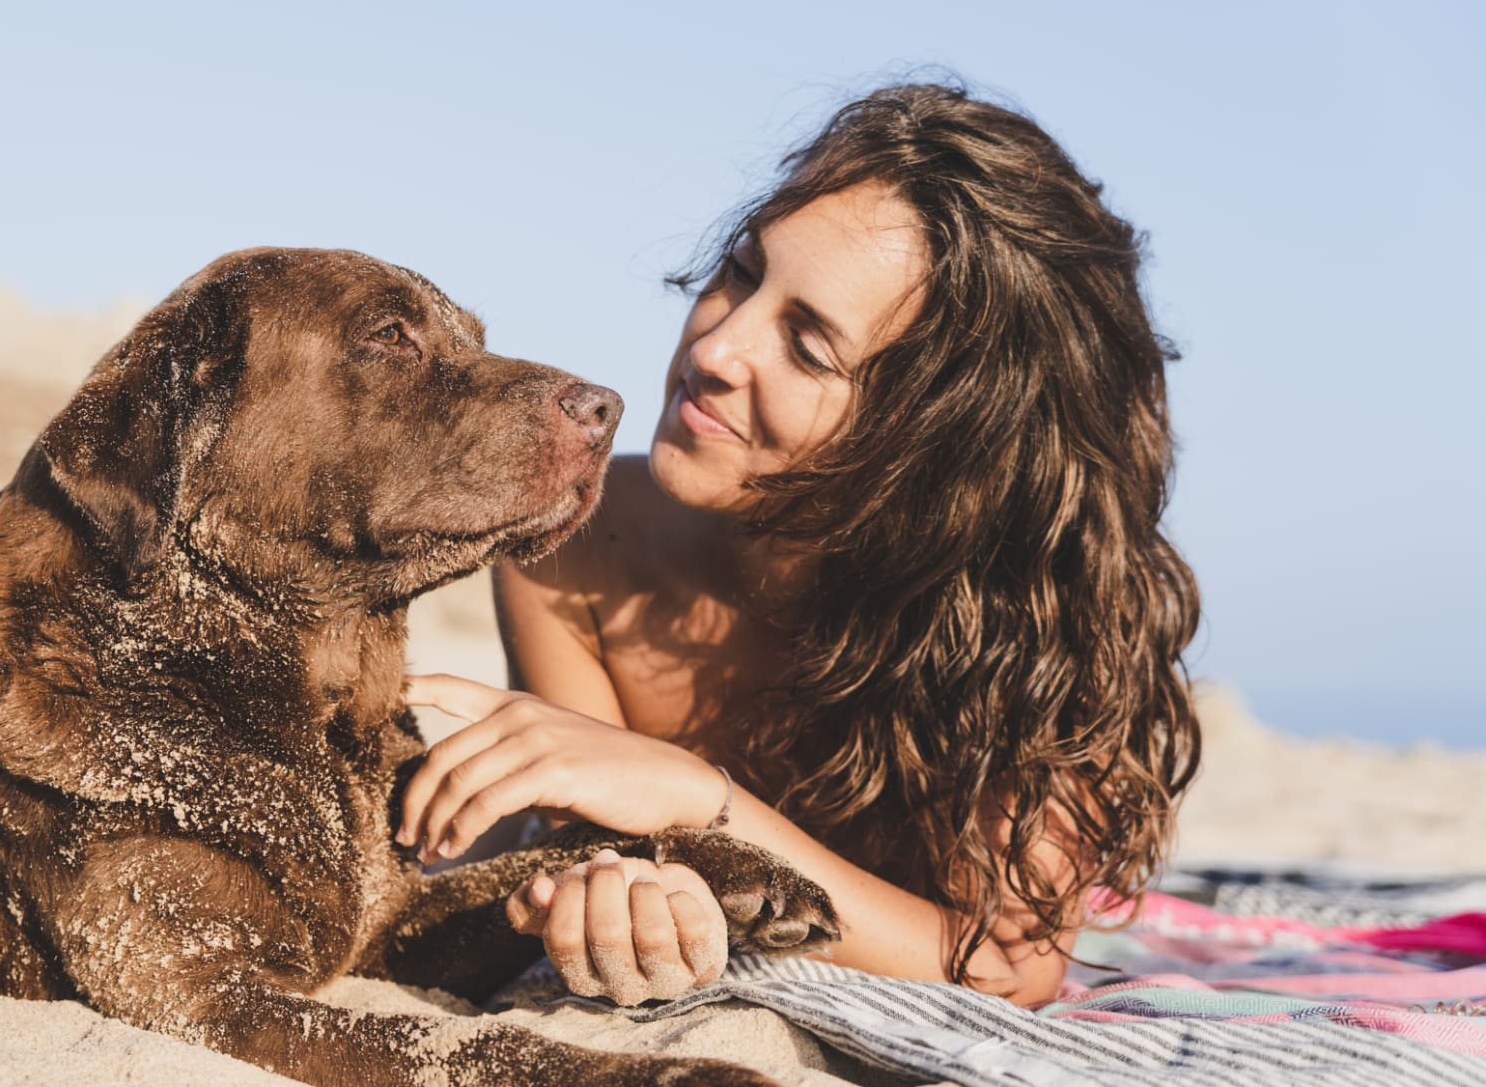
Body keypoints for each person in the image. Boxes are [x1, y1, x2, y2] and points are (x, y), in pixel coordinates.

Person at [399, 82, 1201, 1008]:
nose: (718, 346)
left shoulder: (1036, 612)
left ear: (940, 437)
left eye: (810, 348)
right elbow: (595, 841)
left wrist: (701, 801)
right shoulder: (583, 543)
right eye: (742, 270)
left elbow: (1006, 967)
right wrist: (616, 880)